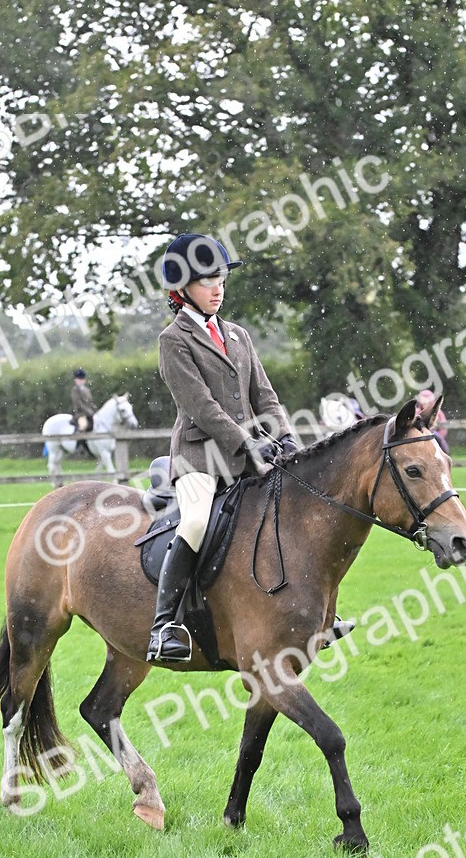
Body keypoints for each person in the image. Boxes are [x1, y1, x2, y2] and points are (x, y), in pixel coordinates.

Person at [147, 232, 353, 663]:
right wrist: (246, 442)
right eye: (207, 281)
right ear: (181, 291)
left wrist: (288, 440)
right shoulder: (174, 340)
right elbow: (200, 406)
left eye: (220, 278)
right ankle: (164, 625)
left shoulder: (238, 335)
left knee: (296, 511)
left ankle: (321, 615)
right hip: (200, 458)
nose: (217, 288)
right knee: (197, 522)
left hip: (251, 455)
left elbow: (266, 396)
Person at [71, 368, 97, 457]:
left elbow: (90, 402)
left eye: (82, 380)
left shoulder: (87, 390)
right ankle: (79, 446)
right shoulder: (75, 390)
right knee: (83, 425)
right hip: (80, 414)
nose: (80, 381)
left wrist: (95, 410)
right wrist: (89, 411)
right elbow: (79, 403)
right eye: (79, 380)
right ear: (76, 380)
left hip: (90, 413)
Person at [416, 388, 448, 453]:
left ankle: (444, 452)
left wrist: (440, 435)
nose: (424, 403)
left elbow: (443, 427)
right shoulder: (417, 412)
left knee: (437, 437)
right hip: (420, 436)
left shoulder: (438, 412)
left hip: (434, 434)